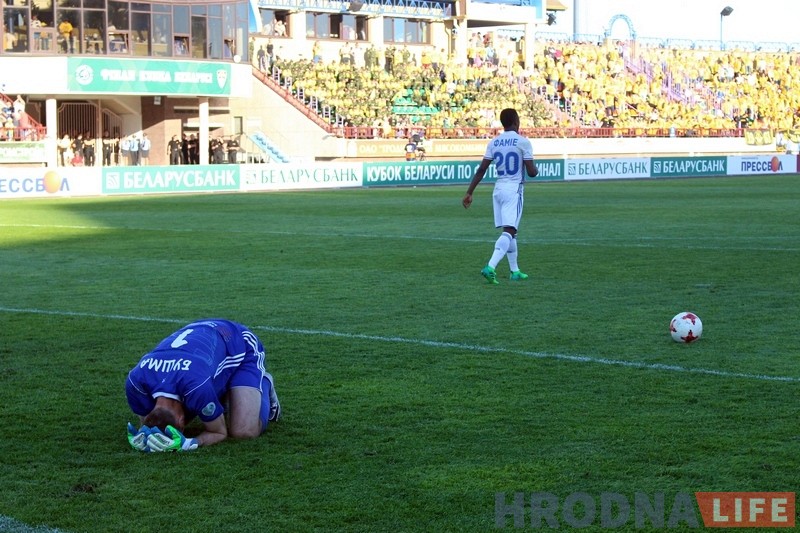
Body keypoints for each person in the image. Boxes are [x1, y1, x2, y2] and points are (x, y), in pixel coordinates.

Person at [125, 318, 281, 452]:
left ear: (181, 422)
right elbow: (146, 423)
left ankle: (264, 382)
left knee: (243, 431)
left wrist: (190, 443)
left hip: (238, 344)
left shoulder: (196, 387)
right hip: (201, 345)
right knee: (201, 396)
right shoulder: (135, 383)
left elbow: (219, 433)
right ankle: (226, 393)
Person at [462, 108, 538, 285]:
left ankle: (515, 271)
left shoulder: (494, 143)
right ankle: (490, 266)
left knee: (511, 232)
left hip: (498, 190)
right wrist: (536, 169)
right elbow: (532, 172)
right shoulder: (523, 142)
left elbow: (482, 169)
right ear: (516, 121)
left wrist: (469, 192)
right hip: (514, 190)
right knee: (510, 231)